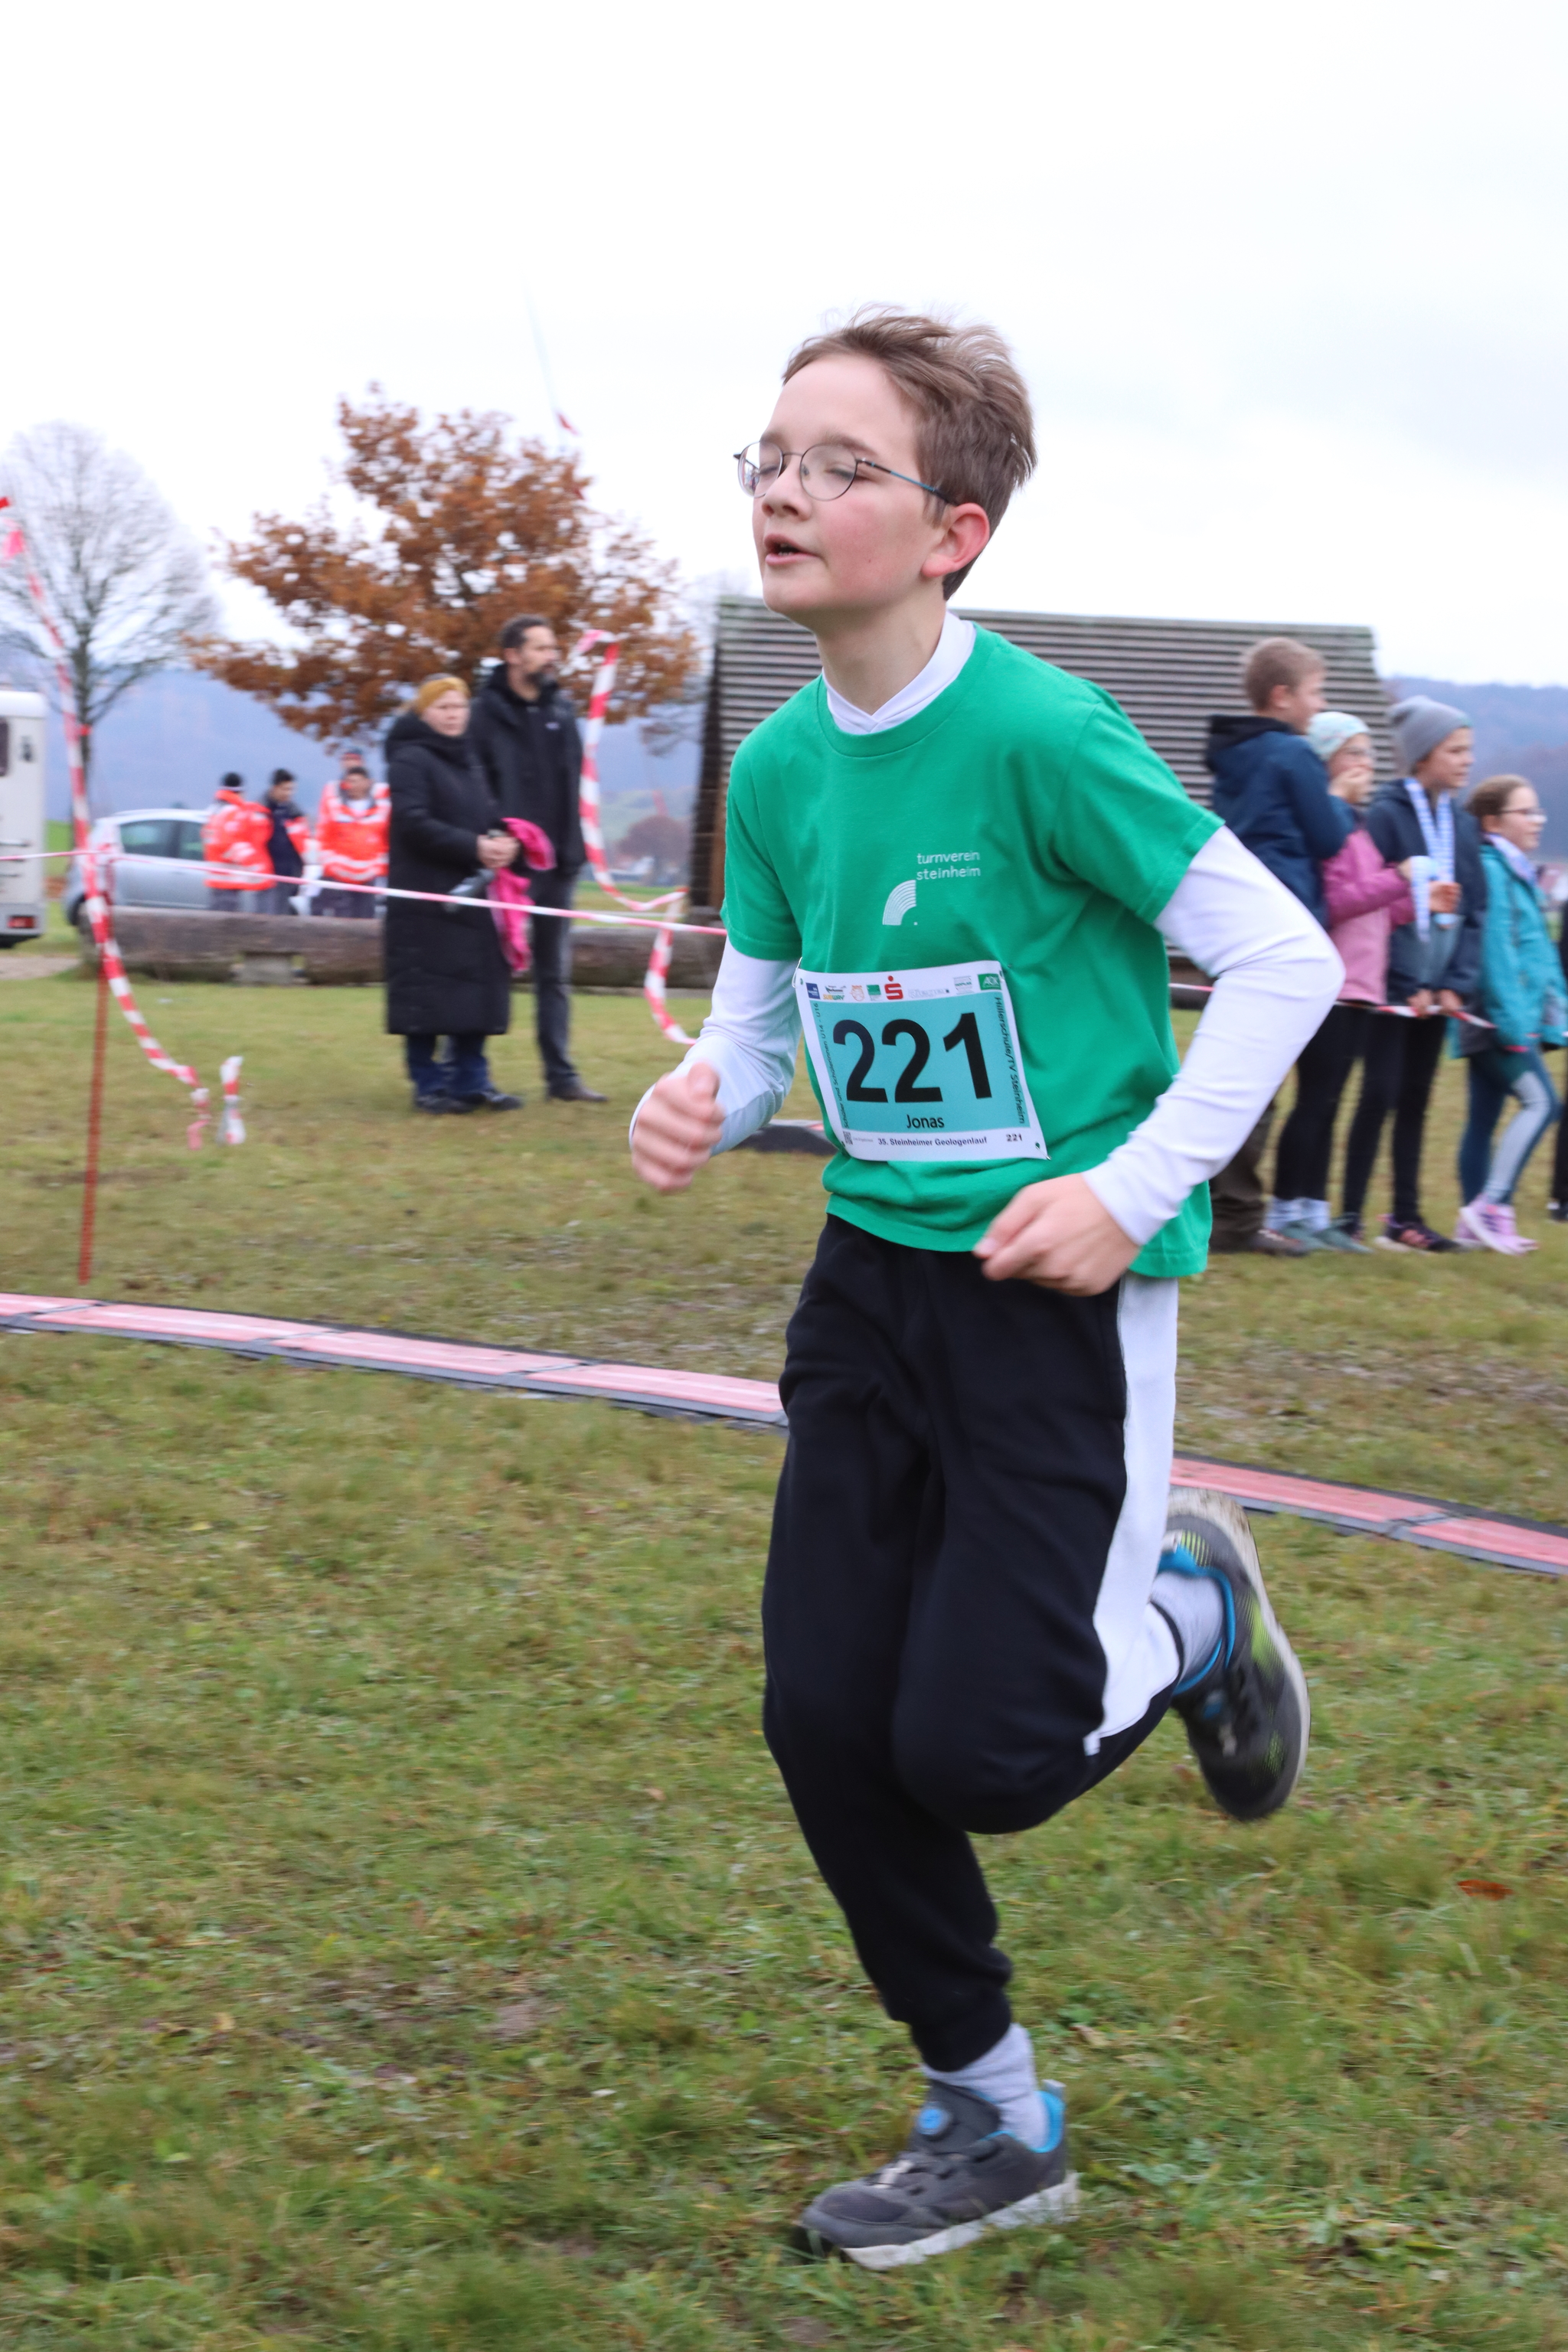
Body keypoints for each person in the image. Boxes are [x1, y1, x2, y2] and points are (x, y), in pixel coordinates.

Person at [628, 309, 1341, 2269]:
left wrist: (1125, 1189)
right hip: (868, 1286)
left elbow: (1282, 959)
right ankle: (994, 2111)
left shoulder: (1038, 734)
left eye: (839, 464)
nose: (784, 490)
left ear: (952, 533)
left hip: (1052, 1297)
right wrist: (705, 1091)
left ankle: (1193, 1611)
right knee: (819, 1715)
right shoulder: (782, 766)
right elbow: (763, 1023)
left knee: (983, 1755)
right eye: (770, 454)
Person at [1201, 640, 1353, 1256]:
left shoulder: (1233, 756)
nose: (1320, 707)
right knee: (1260, 1082)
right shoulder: (1294, 753)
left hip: (1236, 919)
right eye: (1316, 693)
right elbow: (1329, 838)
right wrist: (1339, 794)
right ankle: (1235, 1218)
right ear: (1282, 696)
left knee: (1242, 1070)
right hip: (1286, 918)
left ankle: (1223, 1207)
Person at [1340, 697, 1485, 1250]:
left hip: (1440, 994)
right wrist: (1409, 985)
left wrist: (1455, 984)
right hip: (1393, 988)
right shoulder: (1387, 815)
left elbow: (1476, 912)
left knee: (1417, 1099)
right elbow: (1379, 907)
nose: (1467, 761)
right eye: (1456, 751)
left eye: (1469, 750)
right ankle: (1348, 1215)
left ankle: (1406, 1217)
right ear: (1424, 755)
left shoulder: (1464, 825)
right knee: (1378, 1092)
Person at [1267, 712, 1416, 1251]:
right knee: (1314, 1100)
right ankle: (1284, 1209)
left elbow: (1375, 912)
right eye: (1353, 752)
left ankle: (1315, 1211)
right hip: (1334, 984)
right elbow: (1332, 904)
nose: (1365, 764)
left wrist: (1413, 899)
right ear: (1326, 760)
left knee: (1330, 1102)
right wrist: (1394, 880)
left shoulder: (1360, 828)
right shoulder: (1329, 829)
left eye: (1369, 753)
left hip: (1363, 988)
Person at [469, 616, 606, 1103]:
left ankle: (561, 1076)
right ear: (513, 655)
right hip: (506, 865)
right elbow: (475, 783)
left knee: (555, 975)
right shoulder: (483, 713)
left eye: (553, 647)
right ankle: (471, 1074)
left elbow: (575, 784)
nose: (551, 656)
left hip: (559, 864)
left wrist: (576, 849)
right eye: (540, 648)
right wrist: (494, 836)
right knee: (487, 968)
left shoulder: (561, 711)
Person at [384, 676, 523, 1114]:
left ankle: (471, 1080)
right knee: (425, 996)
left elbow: (486, 815)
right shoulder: (409, 759)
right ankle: (428, 1084)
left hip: (471, 896)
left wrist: (502, 840)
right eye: (443, 707)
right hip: (424, 898)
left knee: (475, 993)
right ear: (424, 711)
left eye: (459, 707)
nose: (453, 715)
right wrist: (473, 846)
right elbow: (413, 822)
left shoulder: (470, 759)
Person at [1454, 776, 1564, 1253]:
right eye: (1526, 812)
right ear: (1493, 822)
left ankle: (1473, 1225)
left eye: (1538, 811)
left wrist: (1555, 1010)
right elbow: (1496, 951)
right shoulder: (1493, 869)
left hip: (1506, 1015)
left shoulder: (1516, 869)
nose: (1537, 821)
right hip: (1496, 1018)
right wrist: (1515, 1023)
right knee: (1543, 1104)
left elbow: (1538, 951)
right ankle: (1492, 1205)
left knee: (1483, 1117)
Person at [315, 753, 389, 917]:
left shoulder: (382, 808)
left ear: (367, 783)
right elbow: (326, 836)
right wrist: (329, 865)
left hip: (369, 876)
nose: (352, 785)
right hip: (340, 875)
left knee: (366, 919)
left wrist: (381, 867)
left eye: (356, 781)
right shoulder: (335, 806)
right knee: (342, 920)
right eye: (349, 781)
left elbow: (385, 839)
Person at [202, 773, 272, 911]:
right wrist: (255, 864)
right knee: (226, 921)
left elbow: (207, 836)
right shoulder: (232, 811)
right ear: (240, 791)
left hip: (216, 877)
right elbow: (230, 843)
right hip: (227, 880)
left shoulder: (213, 810)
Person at [260, 769, 309, 913]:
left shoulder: (294, 812)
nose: (289, 793)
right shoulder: (261, 810)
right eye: (285, 789)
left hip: (288, 875)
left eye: (291, 789)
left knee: (282, 916)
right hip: (268, 874)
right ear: (275, 788)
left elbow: (301, 845)